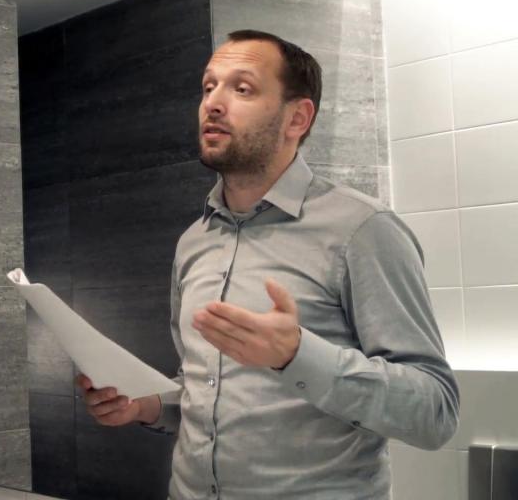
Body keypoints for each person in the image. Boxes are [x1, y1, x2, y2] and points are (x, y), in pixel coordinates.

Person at [78, 30, 459, 499]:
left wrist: (297, 355)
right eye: (208, 87)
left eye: (242, 89)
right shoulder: (194, 242)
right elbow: (207, 391)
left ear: (297, 118)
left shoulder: (363, 230)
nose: (213, 103)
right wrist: (145, 406)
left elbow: (435, 412)